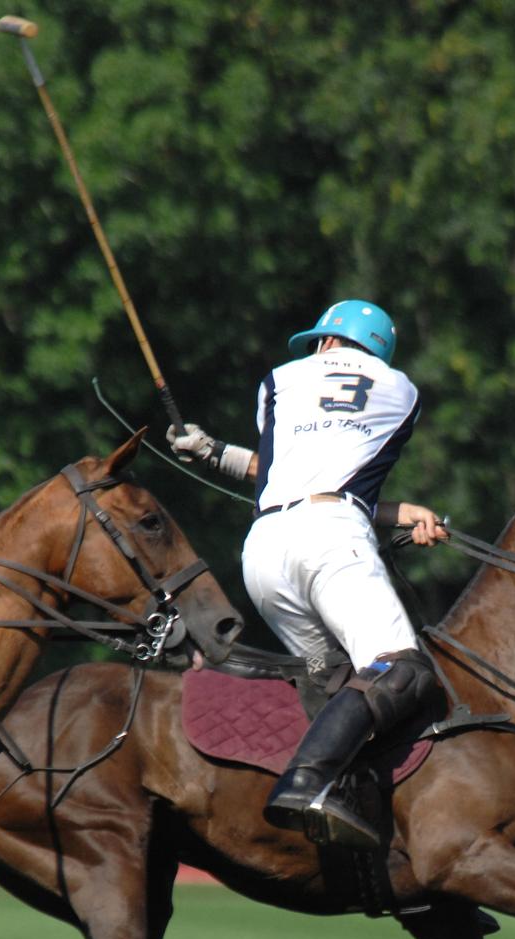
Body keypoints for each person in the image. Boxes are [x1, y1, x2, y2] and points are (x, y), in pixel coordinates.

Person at [169, 299, 446, 850]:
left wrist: (210, 450)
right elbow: (339, 483)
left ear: (324, 342)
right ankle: (307, 783)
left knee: (329, 675)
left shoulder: (279, 380)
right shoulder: (401, 391)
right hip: (333, 543)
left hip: (266, 555)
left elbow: (282, 471)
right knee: (401, 671)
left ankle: (347, 810)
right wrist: (390, 512)